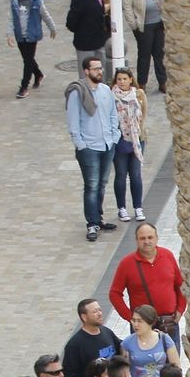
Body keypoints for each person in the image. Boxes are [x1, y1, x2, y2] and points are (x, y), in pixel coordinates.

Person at [66, 56, 120, 242]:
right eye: (95, 69)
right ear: (86, 71)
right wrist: (80, 144)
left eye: (100, 68)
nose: (100, 71)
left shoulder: (106, 91)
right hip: (89, 147)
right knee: (91, 186)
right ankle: (91, 223)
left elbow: (113, 114)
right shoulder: (78, 93)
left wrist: (114, 137)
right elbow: (73, 122)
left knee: (102, 184)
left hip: (107, 144)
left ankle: (98, 218)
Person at [109, 225, 187, 339]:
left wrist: (180, 309)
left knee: (172, 356)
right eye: (142, 238)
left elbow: (180, 285)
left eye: (150, 237)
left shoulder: (167, 256)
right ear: (136, 240)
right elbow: (114, 293)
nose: (147, 241)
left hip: (169, 323)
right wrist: (131, 318)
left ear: (156, 238)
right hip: (142, 325)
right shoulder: (126, 263)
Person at [110, 70, 148, 223]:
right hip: (120, 139)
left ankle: (138, 207)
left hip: (137, 138)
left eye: (125, 79)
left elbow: (144, 114)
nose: (122, 82)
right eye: (119, 79)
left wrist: (140, 132)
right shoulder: (111, 96)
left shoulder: (138, 94)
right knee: (120, 175)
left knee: (136, 174)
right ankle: (122, 208)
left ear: (131, 79)